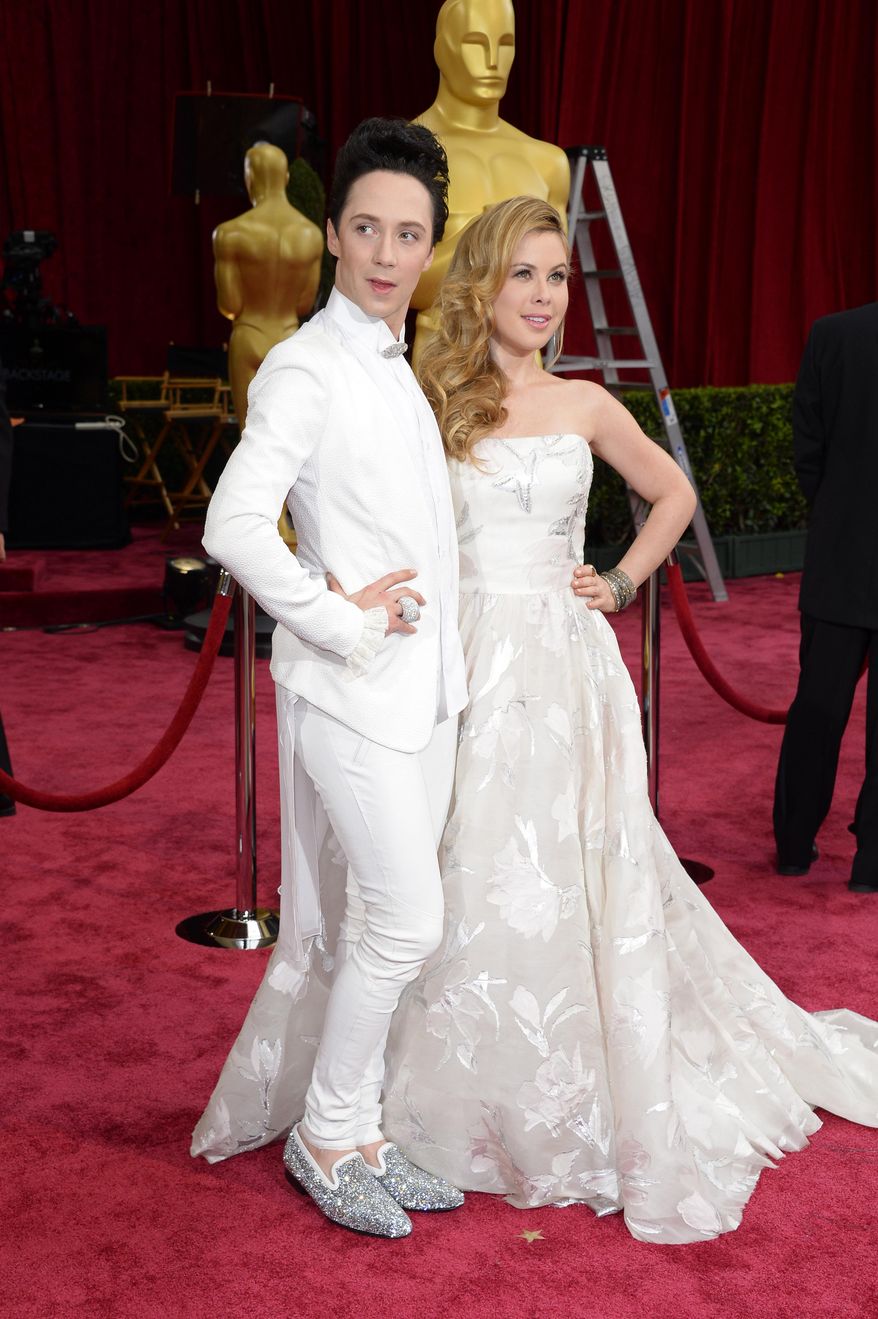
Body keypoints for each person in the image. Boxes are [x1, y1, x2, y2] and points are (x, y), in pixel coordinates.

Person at [379, 197, 878, 1245]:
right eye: (521, 274)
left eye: (556, 277)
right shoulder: (434, 401)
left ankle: (561, 1072)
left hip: (563, 668)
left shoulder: (586, 403)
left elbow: (671, 496)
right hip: (463, 659)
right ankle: (449, 1078)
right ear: (481, 283)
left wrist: (616, 580)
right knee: (456, 855)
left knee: (566, 864)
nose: (542, 297)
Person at [192, 118, 469, 1239]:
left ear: (429, 245)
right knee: (406, 920)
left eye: (408, 233)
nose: (386, 253)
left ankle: (353, 1126)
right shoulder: (307, 365)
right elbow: (230, 523)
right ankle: (321, 1132)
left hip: (423, 694)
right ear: (332, 236)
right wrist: (332, 614)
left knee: (384, 922)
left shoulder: (395, 368)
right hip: (350, 691)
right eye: (367, 228)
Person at [773, 304, 878, 893]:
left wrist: (837, 511)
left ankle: (793, 844)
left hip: (840, 552)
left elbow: (807, 444)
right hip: (842, 547)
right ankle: (873, 864)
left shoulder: (833, 334)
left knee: (816, 707)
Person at [409, 0, 569, 365]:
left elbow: (556, 279)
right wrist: (488, 236)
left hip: (526, 373)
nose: (493, 60)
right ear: (441, 48)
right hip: (442, 369)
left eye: (505, 43)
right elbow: (395, 279)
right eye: (476, 43)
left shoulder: (547, 162)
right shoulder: (409, 153)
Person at [212, 142, 323, 429]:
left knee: (249, 439)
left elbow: (230, 305)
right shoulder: (310, 235)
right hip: (288, 336)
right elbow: (304, 304)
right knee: (289, 437)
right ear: (285, 178)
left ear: (250, 179)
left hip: (249, 334)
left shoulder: (229, 234)